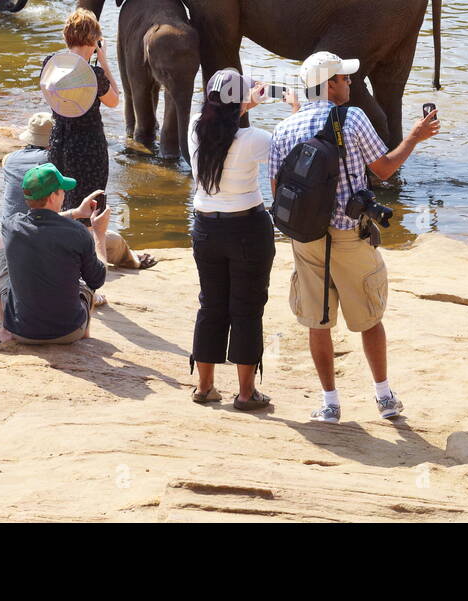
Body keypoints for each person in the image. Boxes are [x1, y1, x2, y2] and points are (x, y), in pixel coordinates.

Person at [268, 52, 439, 424]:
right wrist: (414, 136)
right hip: (350, 234)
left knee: (318, 321)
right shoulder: (353, 117)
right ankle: (384, 397)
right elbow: (384, 169)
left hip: (307, 238)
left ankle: (330, 403)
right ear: (329, 84)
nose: (350, 83)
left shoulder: (283, 129)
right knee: (369, 318)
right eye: (344, 79)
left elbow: (277, 189)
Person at [188, 68, 299, 411]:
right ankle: (246, 394)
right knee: (247, 309)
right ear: (238, 103)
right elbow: (292, 150)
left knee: (211, 305)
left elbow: (223, 119)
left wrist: (244, 104)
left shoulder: (195, 127)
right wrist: (294, 109)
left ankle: (205, 387)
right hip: (247, 228)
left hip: (205, 228)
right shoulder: (256, 141)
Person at [2, 112, 156, 269]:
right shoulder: (56, 162)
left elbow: (34, 216)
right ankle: (134, 261)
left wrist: (75, 213)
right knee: (114, 241)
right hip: (46, 238)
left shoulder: (9, 160)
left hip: (13, 236)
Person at [0, 163, 111, 346]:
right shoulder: (78, 232)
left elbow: (40, 222)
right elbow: (98, 280)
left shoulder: (12, 225)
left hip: (21, 331)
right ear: (53, 196)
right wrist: (99, 233)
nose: (64, 194)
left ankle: (6, 329)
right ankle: (85, 333)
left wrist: (76, 213)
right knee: (88, 280)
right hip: (69, 332)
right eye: (61, 191)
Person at [46, 8, 119, 213]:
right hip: (89, 147)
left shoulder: (50, 65)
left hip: (58, 142)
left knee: (60, 203)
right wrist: (104, 63)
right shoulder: (94, 76)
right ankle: (86, 243)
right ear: (94, 41)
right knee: (90, 208)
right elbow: (115, 100)